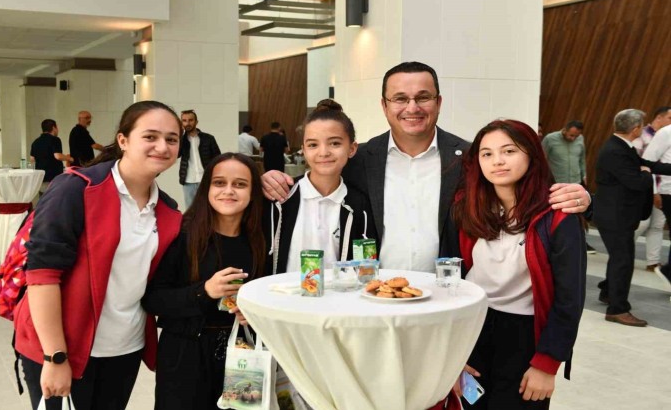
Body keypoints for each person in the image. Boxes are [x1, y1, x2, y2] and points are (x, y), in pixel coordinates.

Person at [262, 61, 591, 273]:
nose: (412, 107)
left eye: (423, 97)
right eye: (400, 98)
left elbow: (521, 188)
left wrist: (584, 198)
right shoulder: (360, 159)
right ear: (385, 106)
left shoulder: (469, 157)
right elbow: (321, 175)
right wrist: (272, 179)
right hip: (375, 294)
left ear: (438, 102)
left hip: (447, 293)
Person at [14, 101, 184, 410]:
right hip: (63, 348)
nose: (162, 147)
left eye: (171, 139)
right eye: (150, 136)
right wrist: (55, 356)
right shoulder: (76, 189)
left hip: (125, 348)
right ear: (123, 140)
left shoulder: (168, 210)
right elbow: (42, 277)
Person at [443, 119, 586, 409]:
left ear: (532, 154)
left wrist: (547, 364)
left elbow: (569, 298)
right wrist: (451, 354)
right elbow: (450, 278)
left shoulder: (557, 216)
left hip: (525, 335)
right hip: (473, 327)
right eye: (487, 154)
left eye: (509, 151)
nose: (497, 161)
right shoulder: (466, 207)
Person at [142, 153, 266, 409]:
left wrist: (255, 312)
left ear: (253, 192)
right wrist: (205, 291)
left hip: (243, 352)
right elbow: (153, 299)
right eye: (219, 183)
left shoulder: (262, 240)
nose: (228, 191)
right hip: (186, 354)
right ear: (206, 188)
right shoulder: (181, 235)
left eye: (240, 184)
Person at [265, 99, 377, 274]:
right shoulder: (281, 196)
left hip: (340, 292)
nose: (323, 152)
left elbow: (366, 268)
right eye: (313, 145)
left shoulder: (360, 205)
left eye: (335, 143)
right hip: (280, 291)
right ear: (303, 150)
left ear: (352, 148)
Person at [595, 109, 671, 327]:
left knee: (619, 258)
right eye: (642, 125)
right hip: (615, 215)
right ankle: (617, 309)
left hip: (617, 214)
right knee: (623, 261)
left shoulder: (621, 146)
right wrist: (646, 173)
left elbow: (647, 164)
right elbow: (637, 181)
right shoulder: (615, 151)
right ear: (636, 128)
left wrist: (649, 169)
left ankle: (608, 292)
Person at [541, 120, 595, 254]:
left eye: (576, 136)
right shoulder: (550, 139)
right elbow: (542, 159)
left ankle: (581, 241)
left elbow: (582, 158)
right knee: (560, 216)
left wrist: (584, 174)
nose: (573, 138)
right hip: (557, 184)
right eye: (571, 135)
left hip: (576, 182)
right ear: (564, 129)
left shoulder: (580, 139)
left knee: (579, 214)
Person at [633, 106, 671, 271]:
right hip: (651, 186)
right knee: (642, 223)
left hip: (664, 187)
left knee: (657, 226)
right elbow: (645, 163)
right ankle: (622, 251)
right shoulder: (643, 136)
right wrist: (654, 191)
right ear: (659, 117)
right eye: (669, 118)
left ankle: (653, 262)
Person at [179, 109, 221, 209]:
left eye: (190, 120)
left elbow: (218, 159)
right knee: (190, 209)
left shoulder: (208, 138)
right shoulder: (180, 140)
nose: (187, 123)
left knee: (209, 208)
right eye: (184, 120)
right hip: (188, 180)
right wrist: (178, 137)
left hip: (206, 179)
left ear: (196, 122)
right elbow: (175, 155)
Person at [29, 119, 72, 194]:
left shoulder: (35, 142)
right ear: (53, 128)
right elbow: (58, 156)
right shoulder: (55, 139)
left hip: (41, 179)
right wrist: (70, 158)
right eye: (57, 127)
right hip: (53, 178)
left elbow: (32, 159)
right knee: (55, 199)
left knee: (43, 199)